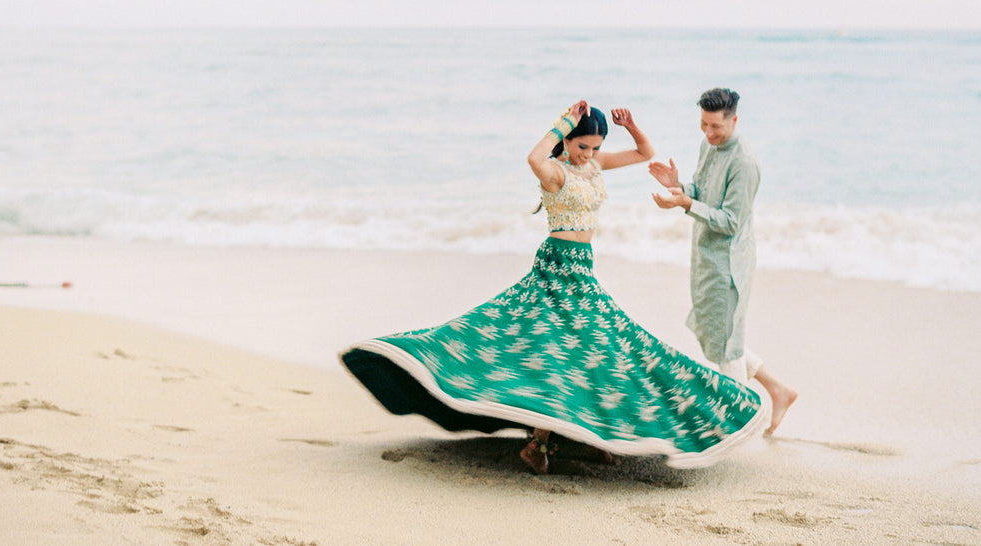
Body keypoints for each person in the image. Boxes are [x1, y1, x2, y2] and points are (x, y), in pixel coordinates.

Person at [341, 100, 766, 475]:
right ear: (568, 144)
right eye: (583, 146)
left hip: (584, 271)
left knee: (603, 349)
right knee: (554, 352)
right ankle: (538, 444)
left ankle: (581, 436)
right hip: (556, 269)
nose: (589, 155)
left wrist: (631, 126)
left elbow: (644, 154)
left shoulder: (594, 166)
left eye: (595, 147)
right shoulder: (555, 172)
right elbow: (533, 156)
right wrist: (563, 124)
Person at [650, 88, 797, 435]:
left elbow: (731, 220)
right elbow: (701, 189)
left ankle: (733, 427)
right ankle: (779, 391)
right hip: (705, 255)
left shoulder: (745, 162)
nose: (708, 133)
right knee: (718, 336)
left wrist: (685, 204)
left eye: (716, 126)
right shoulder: (708, 145)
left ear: (734, 120)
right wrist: (679, 186)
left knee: (726, 346)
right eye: (703, 124)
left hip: (729, 263)